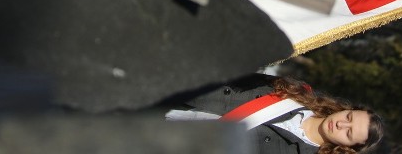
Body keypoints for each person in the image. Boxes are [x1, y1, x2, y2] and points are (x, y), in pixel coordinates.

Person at [165, 74, 384, 153]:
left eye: (349, 133)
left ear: (347, 147)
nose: (341, 125)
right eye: (348, 118)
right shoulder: (298, 92)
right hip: (176, 91)